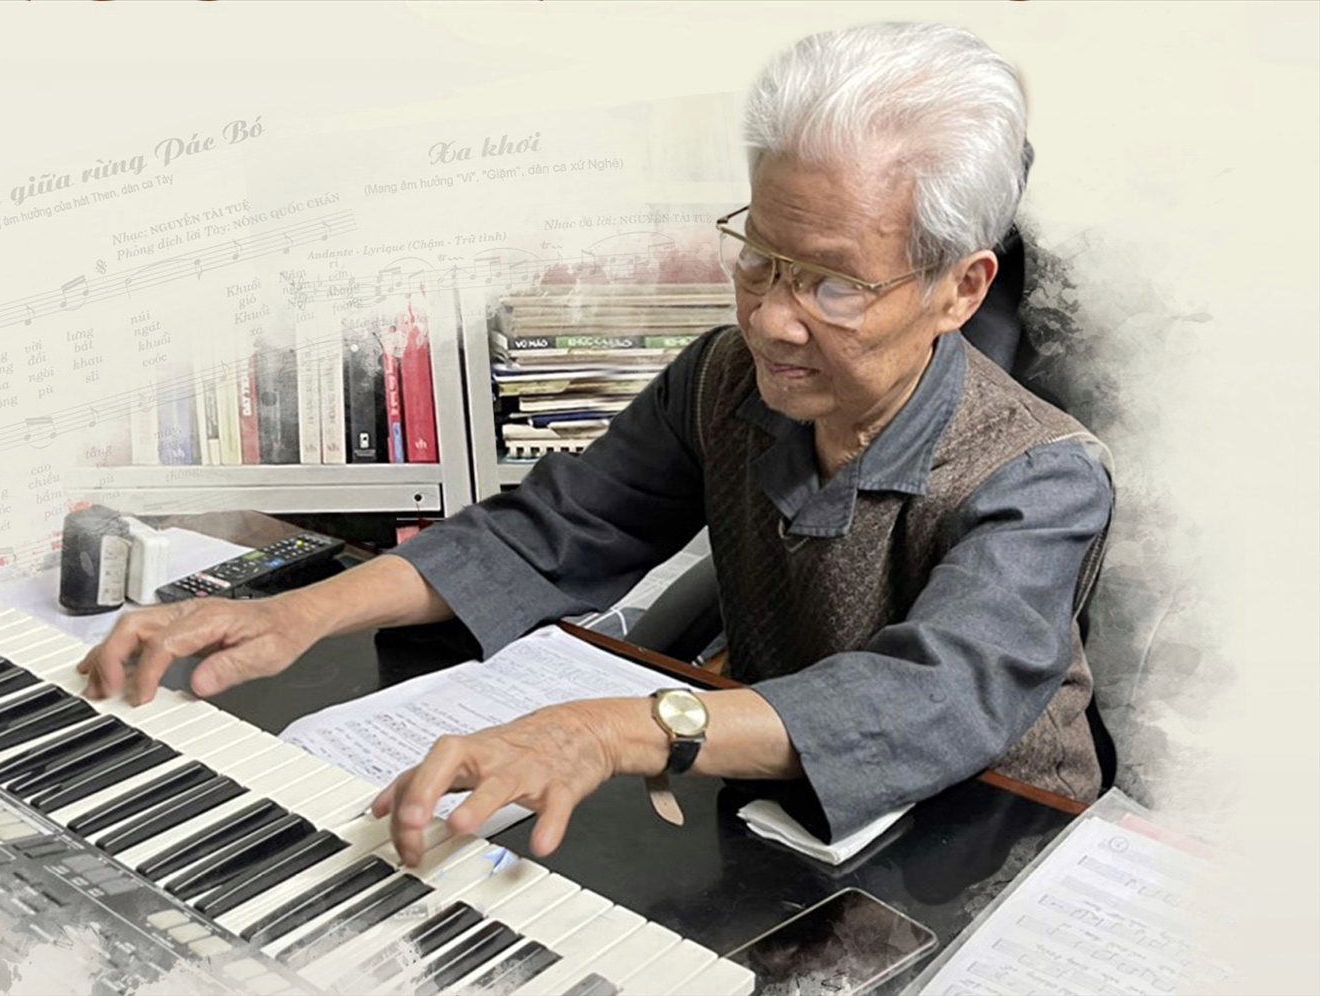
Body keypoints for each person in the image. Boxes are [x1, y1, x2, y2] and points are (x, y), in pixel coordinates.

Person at [78, 22, 1113, 869]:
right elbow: (555, 530)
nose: (771, 320)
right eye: (760, 257)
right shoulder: (724, 378)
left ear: (961, 289)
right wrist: (296, 613)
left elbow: (934, 697)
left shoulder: (1041, 474)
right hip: (778, 814)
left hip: (991, 840)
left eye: (834, 284)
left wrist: (609, 729)